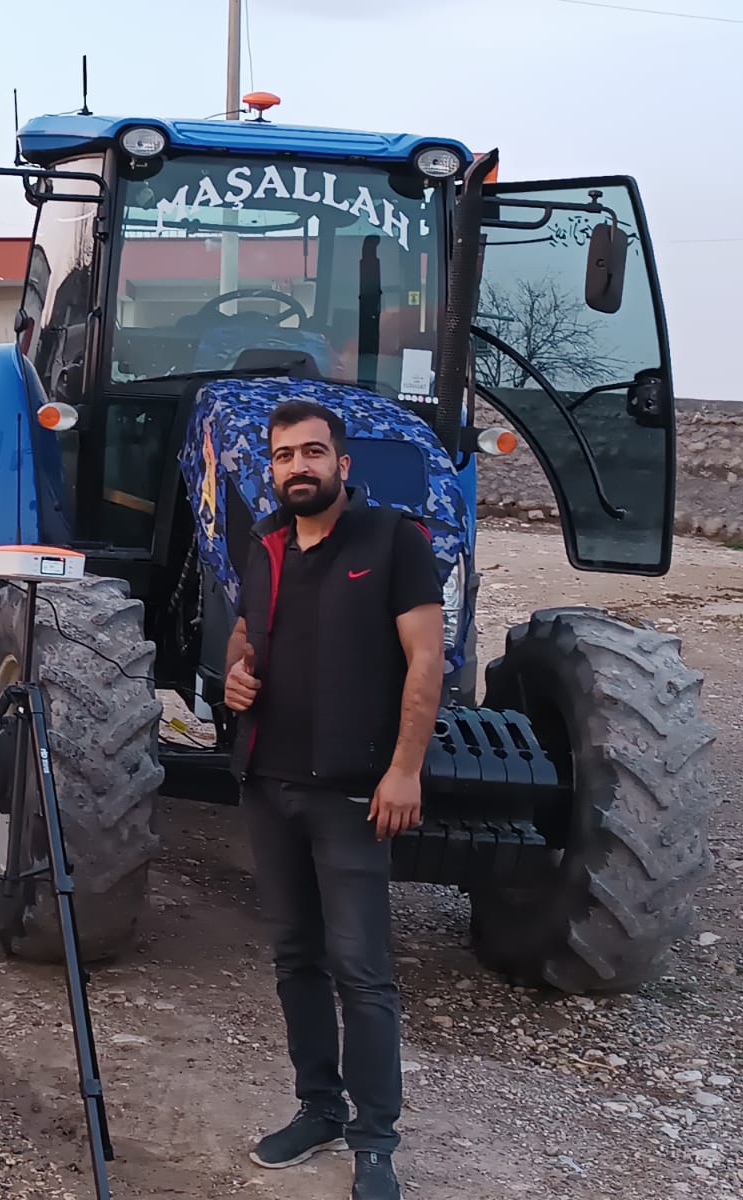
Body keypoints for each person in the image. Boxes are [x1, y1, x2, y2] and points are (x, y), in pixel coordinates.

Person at [223, 398, 444, 1200]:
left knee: (362, 970)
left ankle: (375, 1141)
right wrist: (236, 672)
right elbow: (246, 631)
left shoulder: (392, 542)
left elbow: (427, 661)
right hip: (268, 784)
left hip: (354, 794)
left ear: (343, 465)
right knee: (296, 960)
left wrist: (405, 769)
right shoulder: (266, 541)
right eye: (284, 457)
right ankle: (318, 1107)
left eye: (313, 453)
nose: (298, 468)